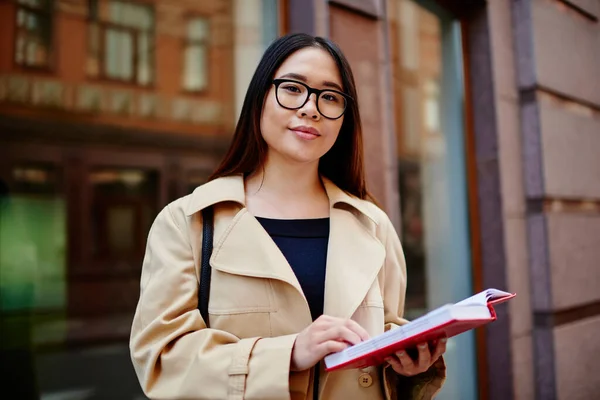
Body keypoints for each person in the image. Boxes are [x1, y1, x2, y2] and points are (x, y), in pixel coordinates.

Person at [130, 33, 446, 400]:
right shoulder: (188, 222)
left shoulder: (373, 226)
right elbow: (161, 360)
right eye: (293, 88)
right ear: (260, 98)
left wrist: (410, 366)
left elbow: (384, 344)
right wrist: (289, 354)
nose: (311, 108)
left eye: (329, 97)